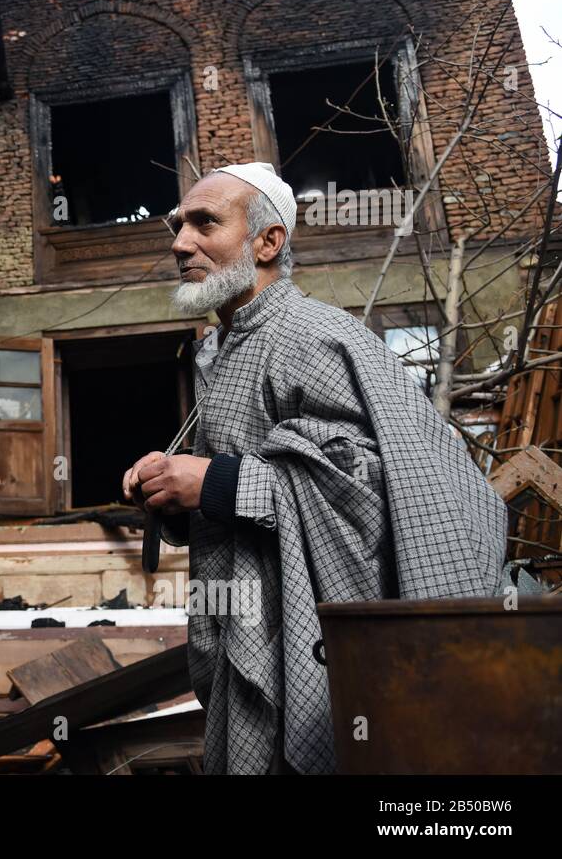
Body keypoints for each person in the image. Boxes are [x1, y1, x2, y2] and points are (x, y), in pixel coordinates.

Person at [123, 162, 506, 774]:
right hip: (238, 623)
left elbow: (369, 485)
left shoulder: (315, 336)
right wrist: (172, 488)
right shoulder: (220, 348)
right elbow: (237, 488)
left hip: (305, 635)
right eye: (177, 226)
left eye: (204, 223)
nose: (179, 243)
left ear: (268, 242)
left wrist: (215, 481)